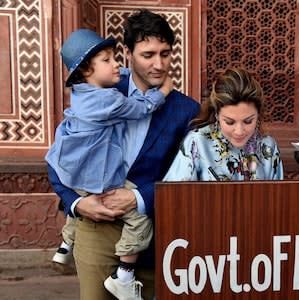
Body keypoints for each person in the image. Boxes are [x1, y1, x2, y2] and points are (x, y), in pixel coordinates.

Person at [47, 9, 200, 300]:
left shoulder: (186, 110)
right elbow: (62, 155)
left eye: (165, 53)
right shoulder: (95, 90)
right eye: (148, 54)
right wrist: (77, 203)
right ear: (127, 52)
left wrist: (140, 197)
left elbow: (191, 175)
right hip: (95, 227)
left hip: (153, 234)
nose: (159, 64)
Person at [163, 68, 283, 181]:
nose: (239, 131)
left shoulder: (267, 147)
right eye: (230, 122)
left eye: (248, 121)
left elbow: (278, 198)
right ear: (217, 114)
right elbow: (175, 197)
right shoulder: (198, 143)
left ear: (258, 115)